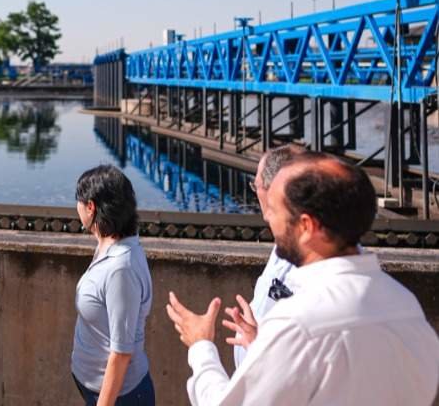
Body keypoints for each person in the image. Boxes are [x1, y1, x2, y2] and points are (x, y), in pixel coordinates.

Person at [166, 152, 439, 405]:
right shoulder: (405, 306)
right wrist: (265, 348)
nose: (269, 219)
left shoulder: (299, 324)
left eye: (274, 210)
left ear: (307, 227)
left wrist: (201, 347)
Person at [71, 165, 155, 405]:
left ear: (91, 207)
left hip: (120, 397)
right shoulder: (110, 243)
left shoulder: (121, 269)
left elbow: (121, 351)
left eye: (78, 200)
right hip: (98, 388)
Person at [228, 144, 305, 368]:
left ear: (272, 189)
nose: (257, 194)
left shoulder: (307, 259)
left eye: (256, 185)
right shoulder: (282, 244)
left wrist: (202, 350)